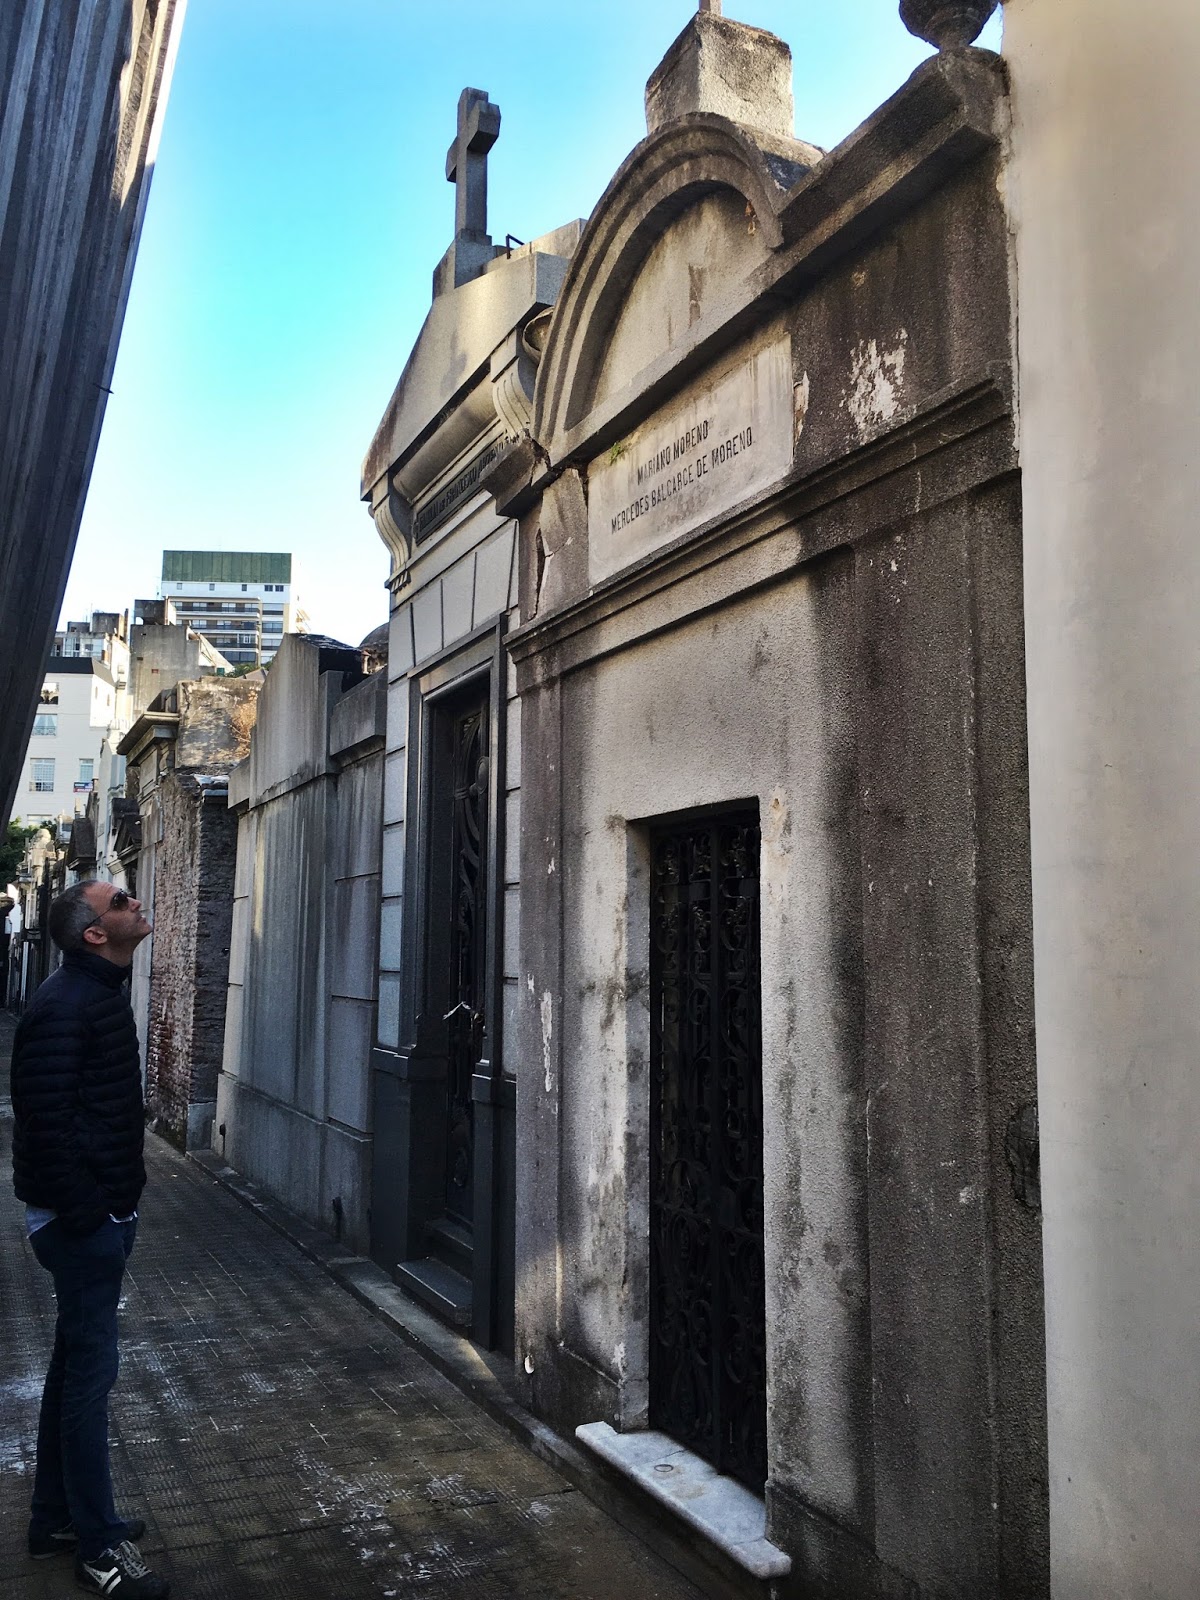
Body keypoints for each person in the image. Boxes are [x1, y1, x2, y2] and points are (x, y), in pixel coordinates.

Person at [10, 880, 169, 1599]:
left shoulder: (99, 990)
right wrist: (95, 1216)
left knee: (74, 1368)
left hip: (96, 1217)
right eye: (121, 902)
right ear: (94, 934)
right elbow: (40, 1126)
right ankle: (98, 1550)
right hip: (81, 1226)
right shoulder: (63, 1006)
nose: (136, 904)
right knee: (89, 1382)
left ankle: (58, 1520)